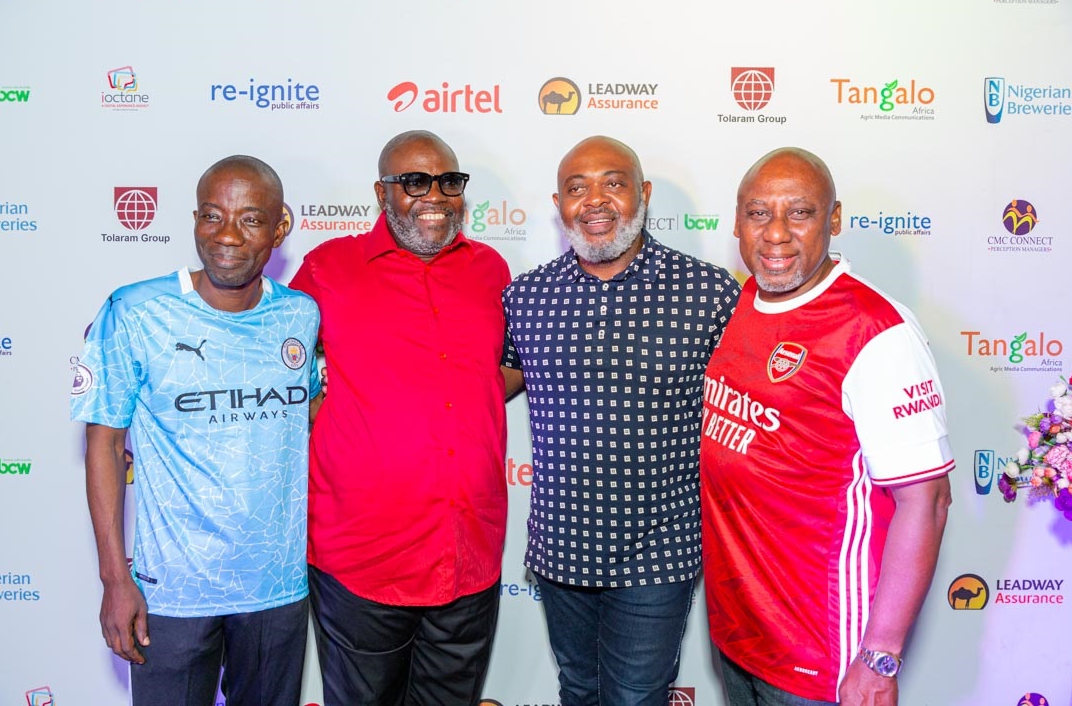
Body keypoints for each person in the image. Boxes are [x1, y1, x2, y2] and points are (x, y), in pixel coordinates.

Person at [700, 147, 953, 706]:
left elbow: (927, 501)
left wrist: (880, 657)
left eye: (800, 212)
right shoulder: (747, 300)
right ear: (737, 222)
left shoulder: (875, 331)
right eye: (759, 213)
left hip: (823, 653)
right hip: (741, 632)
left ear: (834, 220)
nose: (776, 234)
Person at [71, 155, 321, 706]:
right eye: (212, 216)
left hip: (276, 587)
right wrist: (115, 579)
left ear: (280, 228)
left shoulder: (301, 315)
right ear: (195, 219)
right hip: (173, 593)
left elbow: (314, 418)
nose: (227, 235)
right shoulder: (134, 311)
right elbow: (105, 444)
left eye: (250, 219)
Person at [501, 135, 741, 706]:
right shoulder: (526, 297)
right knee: (578, 690)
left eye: (613, 183)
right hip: (562, 545)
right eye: (576, 188)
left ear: (643, 193)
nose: (595, 200)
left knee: (636, 697)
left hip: (659, 548)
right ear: (558, 205)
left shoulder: (709, 293)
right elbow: (484, 385)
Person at [289, 130, 511, 706]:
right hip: (362, 555)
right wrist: (327, 408)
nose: (434, 195)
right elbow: (271, 362)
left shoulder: (491, 270)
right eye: (414, 181)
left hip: (468, 550)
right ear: (381, 192)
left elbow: (502, 368)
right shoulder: (328, 267)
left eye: (448, 182)